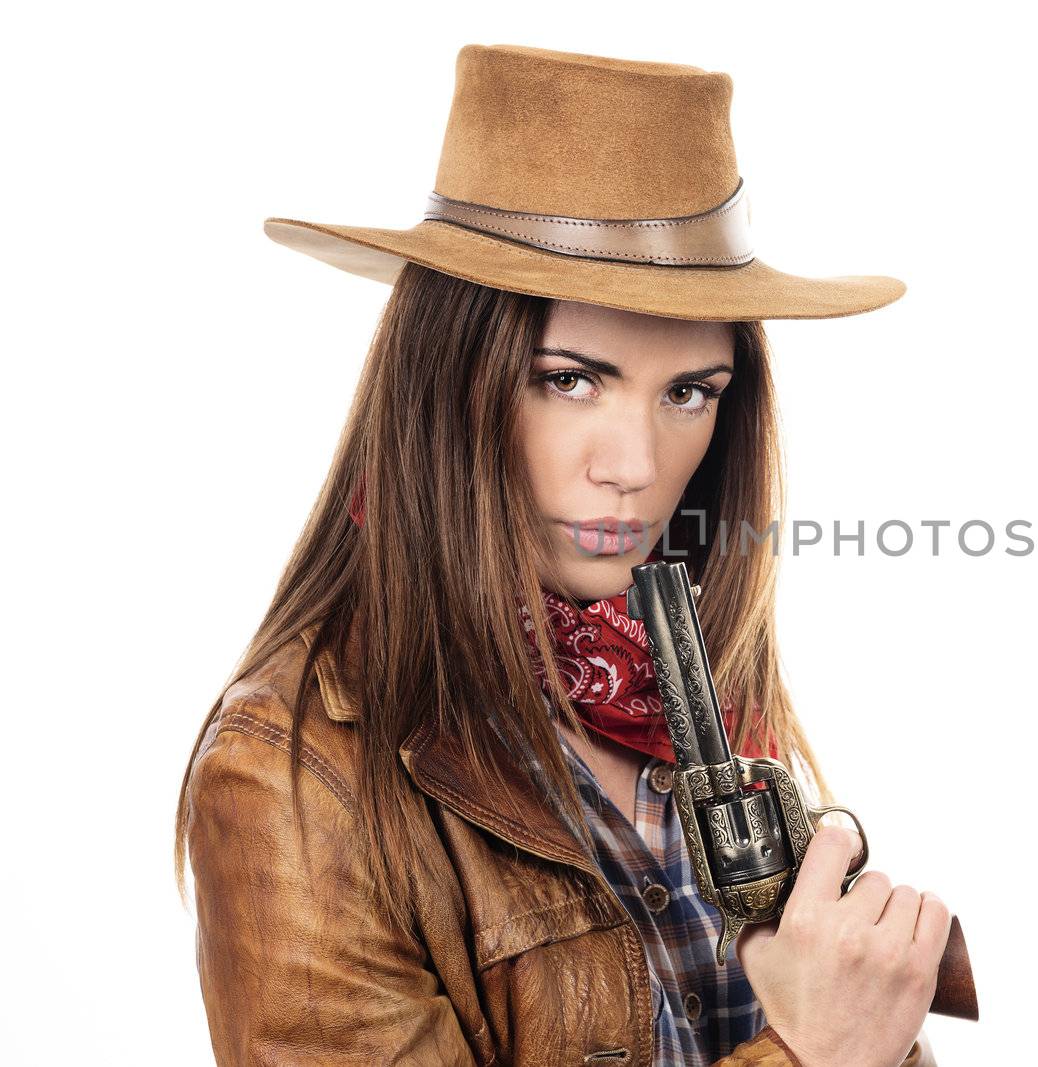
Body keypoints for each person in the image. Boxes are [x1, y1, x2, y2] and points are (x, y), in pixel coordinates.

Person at [172, 44, 950, 1067]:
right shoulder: (294, 773)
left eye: (689, 392)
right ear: (447, 382)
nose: (634, 466)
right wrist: (810, 1051)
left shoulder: (690, 697)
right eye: (570, 379)